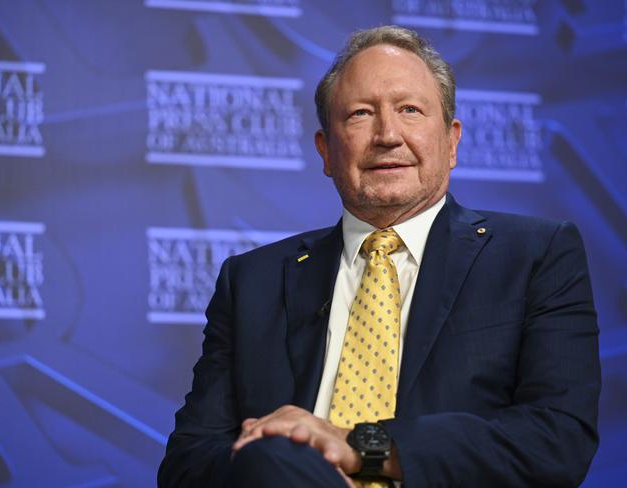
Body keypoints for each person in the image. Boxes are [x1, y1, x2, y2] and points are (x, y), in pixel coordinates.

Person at [158, 26, 600, 487]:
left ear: (451, 142)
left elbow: (557, 439)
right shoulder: (253, 281)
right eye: (360, 114)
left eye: (410, 110)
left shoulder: (534, 255)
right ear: (326, 151)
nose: (388, 135)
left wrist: (356, 446)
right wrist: (268, 457)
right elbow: (187, 465)